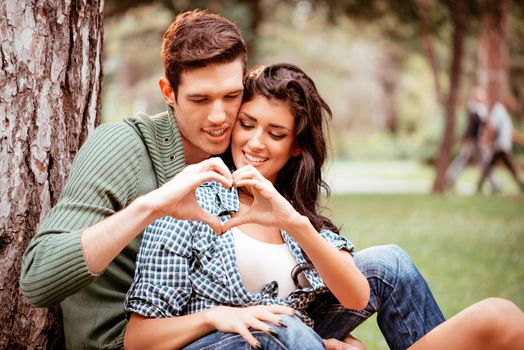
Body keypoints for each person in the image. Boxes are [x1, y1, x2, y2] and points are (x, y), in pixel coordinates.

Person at [20, 10, 444, 349]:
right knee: (281, 331)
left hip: (244, 316)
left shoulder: (236, 151)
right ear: (168, 93)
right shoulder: (123, 147)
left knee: (387, 266)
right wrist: (151, 205)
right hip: (133, 339)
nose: (220, 117)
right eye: (200, 99)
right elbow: (38, 280)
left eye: (231, 96)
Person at [124, 63, 524, 350]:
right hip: (226, 341)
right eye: (246, 124)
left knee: (405, 269)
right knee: (279, 325)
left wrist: (294, 223)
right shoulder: (194, 200)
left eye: (275, 133)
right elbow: (137, 340)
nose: (256, 142)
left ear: (295, 146)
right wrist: (217, 317)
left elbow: (355, 296)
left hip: (293, 337)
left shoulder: (295, 214)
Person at [446, 87, 499, 191]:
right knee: (479, 160)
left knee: (477, 160)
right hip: (475, 141)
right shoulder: (476, 109)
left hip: (476, 141)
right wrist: (467, 139)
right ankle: (494, 183)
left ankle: (494, 183)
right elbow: (471, 127)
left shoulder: (477, 108)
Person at [477, 95, 524, 193]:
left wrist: (520, 140)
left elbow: (509, 132)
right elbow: (492, 128)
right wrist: (488, 142)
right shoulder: (498, 111)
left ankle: (479, 185)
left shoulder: (505, 114)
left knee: (491, 166)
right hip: (499, 146)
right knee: (509, 167)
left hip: (503, 145)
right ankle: (520, 185)